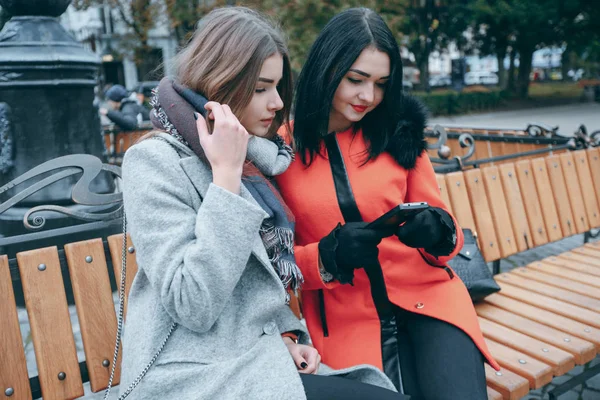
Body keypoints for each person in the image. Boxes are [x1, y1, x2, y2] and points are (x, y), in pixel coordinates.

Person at [120, 7, 406, 400]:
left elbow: (256, 286)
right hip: (192, 371)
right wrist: (225, 179)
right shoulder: (155, 162)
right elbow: (193, 304)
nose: (276, 104)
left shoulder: (259, 160)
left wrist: (290, 336)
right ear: (219, 86)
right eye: (260, 89)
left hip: (254, 356)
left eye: (277, 88)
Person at [275, 8, 500, 400]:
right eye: (356, 80)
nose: (369, 97)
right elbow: (274, 262)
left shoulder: (398, 135)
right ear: (325, 69)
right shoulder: (280, 154)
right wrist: (326, 256)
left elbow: (447, 239)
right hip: (342, 320)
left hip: (429, 299)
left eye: (381, 84)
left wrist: (435, 230)